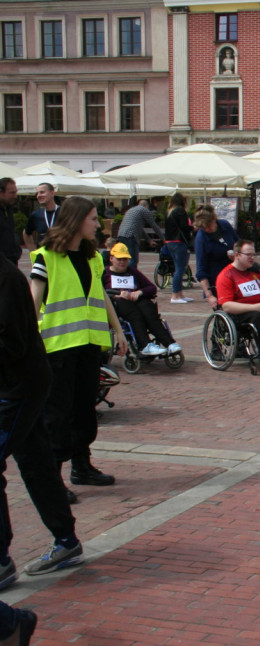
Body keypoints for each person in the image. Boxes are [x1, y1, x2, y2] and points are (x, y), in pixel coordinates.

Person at [29, 196, 127, 496]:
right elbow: (32, 301)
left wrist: (118, 330)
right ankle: (53, 478)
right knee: (56, 415)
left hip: (89, 345)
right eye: (94, 219)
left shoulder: (93, 258)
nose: (98, 225)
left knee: (84, 410)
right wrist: (29, 341)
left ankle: (81, 466)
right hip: (58, 346)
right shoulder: (46, 257)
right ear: (77, 220)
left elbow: (101, 296)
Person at [1, 254, 86, 585]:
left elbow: (11, 343)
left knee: (33, 459)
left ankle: (2, 561)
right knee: (36, 461)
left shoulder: (5, 278)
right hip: (18, 384)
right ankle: (66, 540)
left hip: (19, 387)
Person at [215, 239, 260, 371]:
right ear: (237, 255)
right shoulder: (226, 275)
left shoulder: (256, 272)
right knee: (257, 316)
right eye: (248, 255)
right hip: (240, 313)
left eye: (254, 254)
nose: (252, 258)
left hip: (259, 309)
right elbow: (226, 305)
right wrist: (254, 307)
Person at [103, 242, 181, 356]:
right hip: (119, 304)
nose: (122, 262)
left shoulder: (132, 271)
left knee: (149, 311)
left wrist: (140, 292)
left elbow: (151, 288)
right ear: (111, 258)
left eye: (125, 259)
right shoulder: (105, 273)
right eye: (119, 259)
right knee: (134, 314)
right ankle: (145, 345)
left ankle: (170, 343)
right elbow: (100, 292)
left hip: (137, 302)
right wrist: (117, 295)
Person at [192, 205, 239, 310]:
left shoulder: (225, 225)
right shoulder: (201, 239)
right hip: (218, 279)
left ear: (214, 219)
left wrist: (237, 253)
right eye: (203, 228)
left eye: (209, 225)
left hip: (236, 273)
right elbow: (201, 269)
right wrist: (209, 295)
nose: (207, 229)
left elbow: (238, 243)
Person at [164, 192, 192, 304]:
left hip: (170, 242)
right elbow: (184, 226)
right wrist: (192, 228)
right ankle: (175, 295)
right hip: (179, 241)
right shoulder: (180, 211)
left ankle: (179, 294)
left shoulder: (169, 211)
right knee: (180, 268)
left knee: (178, 268)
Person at [115, 198, 160, 269]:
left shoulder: (131, 210)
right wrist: (163, 238)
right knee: (133, 260)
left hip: (121, 235)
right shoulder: (144, 210)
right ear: (146, 206)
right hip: (130, 236)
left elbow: (139, 229)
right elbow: (154, 225)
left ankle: (122, 274)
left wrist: (149, 240)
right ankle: (131, 276)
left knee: (123, 258)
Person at [23, 183, 59, 251]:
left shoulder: (64, 212)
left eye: (42, 192)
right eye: (37, 193)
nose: (38, 195)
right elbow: (26, 233)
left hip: (62, 256)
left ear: (52, 193)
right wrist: (33, 251)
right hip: (43, 258)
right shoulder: (36, 215)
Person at [0, 179, 19, 265]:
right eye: (12, 193)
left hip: (11, 259)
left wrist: (17, 250)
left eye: (15, 192)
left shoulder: (8, 208)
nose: (15, 196)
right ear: (1, 192)